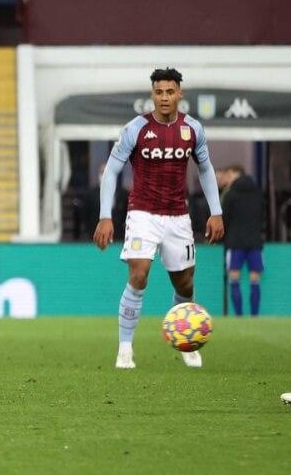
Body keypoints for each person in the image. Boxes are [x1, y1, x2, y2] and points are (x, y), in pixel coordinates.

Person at [93, 68, 224, 369]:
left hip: (178, 216)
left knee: (185, 285)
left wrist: (216, 210)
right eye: (159, 92)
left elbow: (205, 169)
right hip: (142, 213)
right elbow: (112, 170)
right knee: (138, 274)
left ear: (180, 94)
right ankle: (125, 348)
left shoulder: (193, 130)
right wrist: (105, 216)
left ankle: (186, 342)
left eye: (169, 91)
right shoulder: (135, 129)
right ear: (152, 94)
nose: (164, 97)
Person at [221, 165, 264, 316]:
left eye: (229, 174)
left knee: (234, 278)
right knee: (255, 279)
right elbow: (263, 216)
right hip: (255, 242)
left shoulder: (231, 194)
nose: (227, 177)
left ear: (236, 174)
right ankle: (254, 316)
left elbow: (224, 219)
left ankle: (239, 316)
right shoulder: (258, 193)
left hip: (235, 242)